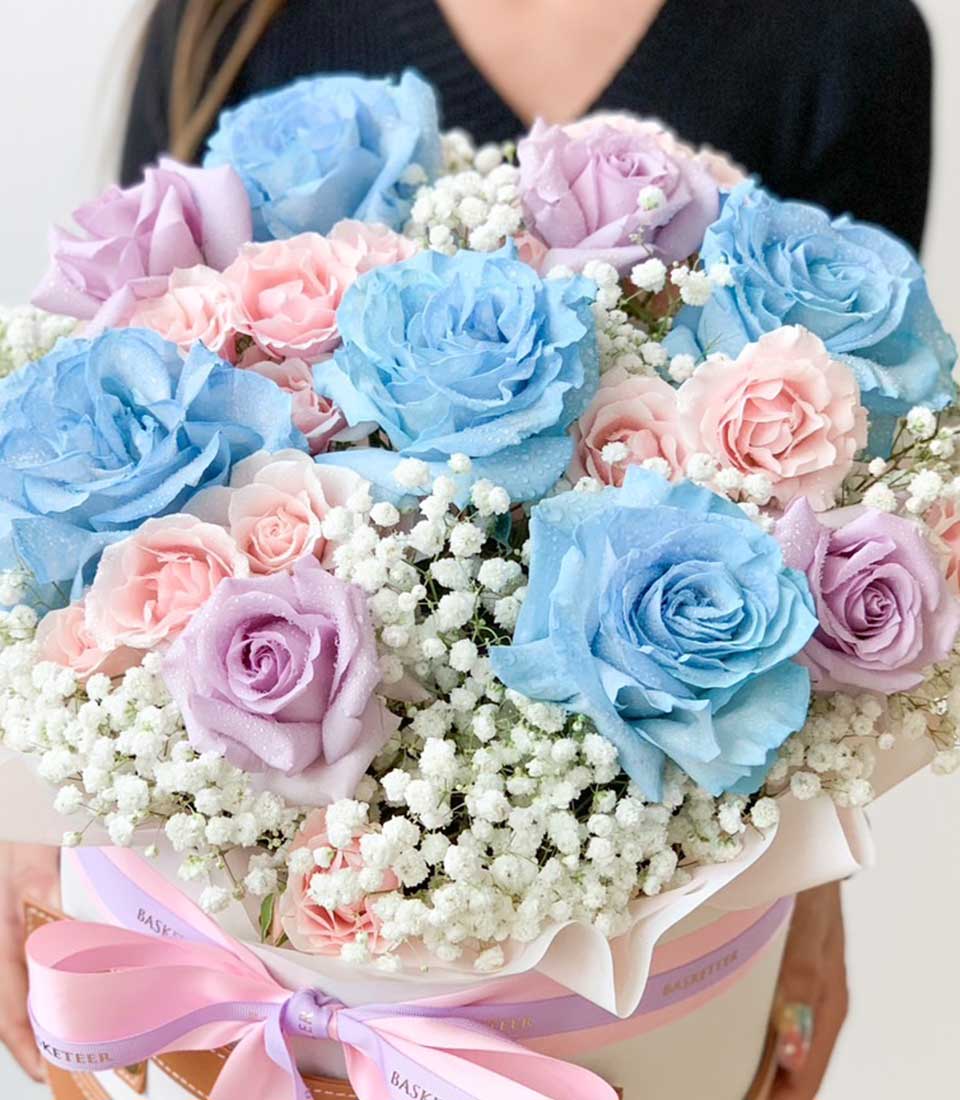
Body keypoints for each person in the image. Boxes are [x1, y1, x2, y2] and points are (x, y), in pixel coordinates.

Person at [1, 0, 934, 1096]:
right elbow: (109, 443)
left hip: (629, 1017)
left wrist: (804, 897)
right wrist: (31, 837)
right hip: (237, 992)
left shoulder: (843, 39)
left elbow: (855, 503)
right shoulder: (232, 15)